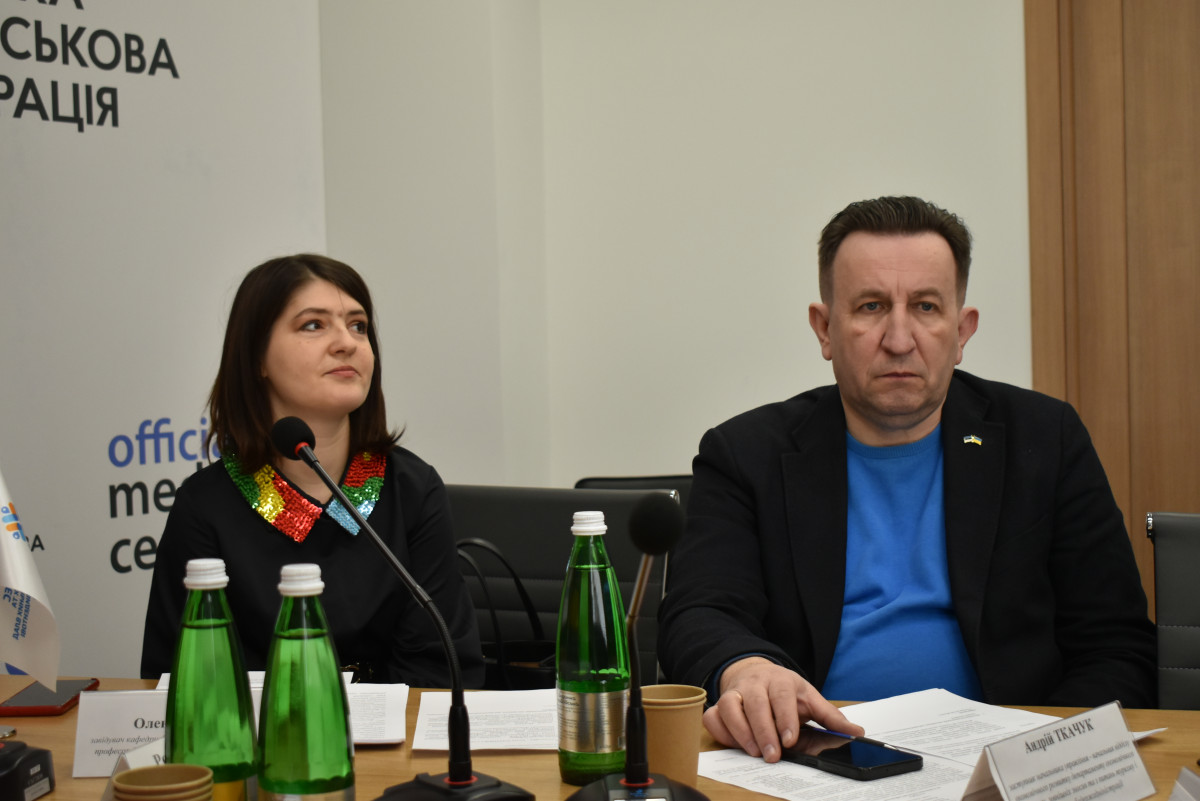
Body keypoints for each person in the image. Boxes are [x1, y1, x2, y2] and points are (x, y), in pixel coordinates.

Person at [657, 196, 1156, 763]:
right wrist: (745, 667)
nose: (899, 339)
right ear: (825, 328)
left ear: (961, 330)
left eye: (925, 307)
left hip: (1007, 764)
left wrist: (1041, 758)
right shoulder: (746, 453)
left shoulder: (1045, 439)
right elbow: (699, 613)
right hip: (814, 759)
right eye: (871, 307)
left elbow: (1117, 647)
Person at [141, 254, 484, 687]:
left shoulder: (412, 489)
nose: (346, 343)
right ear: (257, 357)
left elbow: (438, 670)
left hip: (398, 730)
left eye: (358, 326)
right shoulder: (205, 504)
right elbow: (183, 679)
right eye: (314, 325)